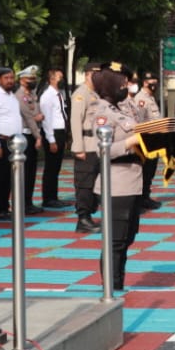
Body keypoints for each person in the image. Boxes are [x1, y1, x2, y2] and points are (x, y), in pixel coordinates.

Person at [88, 63, 148, 289]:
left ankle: (118, 283)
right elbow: (103, 150)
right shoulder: (102, 113)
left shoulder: (121, 110)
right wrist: (131, 142)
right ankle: (111, 287)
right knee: (115, 241)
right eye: (122, 83)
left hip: (132, 180)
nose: (126, 86)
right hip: (117, 183)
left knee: (128, 237)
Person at [70, 60, 101, 233]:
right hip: (86, 145)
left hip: (95, 145)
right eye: (95, 73)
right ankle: (83, 219)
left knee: (94, 183)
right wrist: (78, 147)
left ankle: (89, 215)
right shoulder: (80, 94)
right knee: (84, 183)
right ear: (88, 74)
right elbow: (75, 121)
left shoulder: (95, 95)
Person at [0, 69, 23, 222]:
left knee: (9, 177)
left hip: (13, 143)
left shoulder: (12, 97)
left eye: (11, 77)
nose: (9, 80)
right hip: (1, 140)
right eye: (6, 78)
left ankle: (5, 207)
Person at [15, 67, 45, 214]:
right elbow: (28, 117)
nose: (33, 82)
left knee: (32, 171)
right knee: (24, 172)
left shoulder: (32, 94)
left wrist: (36, 120)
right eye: (30, 79)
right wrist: (38, 136)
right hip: (25, 135)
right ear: (22, 80)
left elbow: (37, 113)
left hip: (33, 133)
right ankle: (22, 203)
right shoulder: (19, 96)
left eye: (34, 79)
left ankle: (28, 201)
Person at [40, 67, 69, 207]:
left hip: (60, 132)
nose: (62, 80)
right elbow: (46, 120)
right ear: (51, 79)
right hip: (52, 133)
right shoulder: (47, 96)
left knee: (56, 167)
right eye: (59, 77)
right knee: (51, 167)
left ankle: (54, 196)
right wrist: (51, 140)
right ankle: (48, 198)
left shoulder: (59, 94)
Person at [135, 70, 164, 210]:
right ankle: (140, 199)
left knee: (150, 171)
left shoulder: (151, 98)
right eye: (152, 82)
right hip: (146, 140)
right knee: (144, 171)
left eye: (155, 82)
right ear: (145, 82)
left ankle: (146, 196)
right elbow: (139, 122)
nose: (155, 84)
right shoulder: (140, 99)